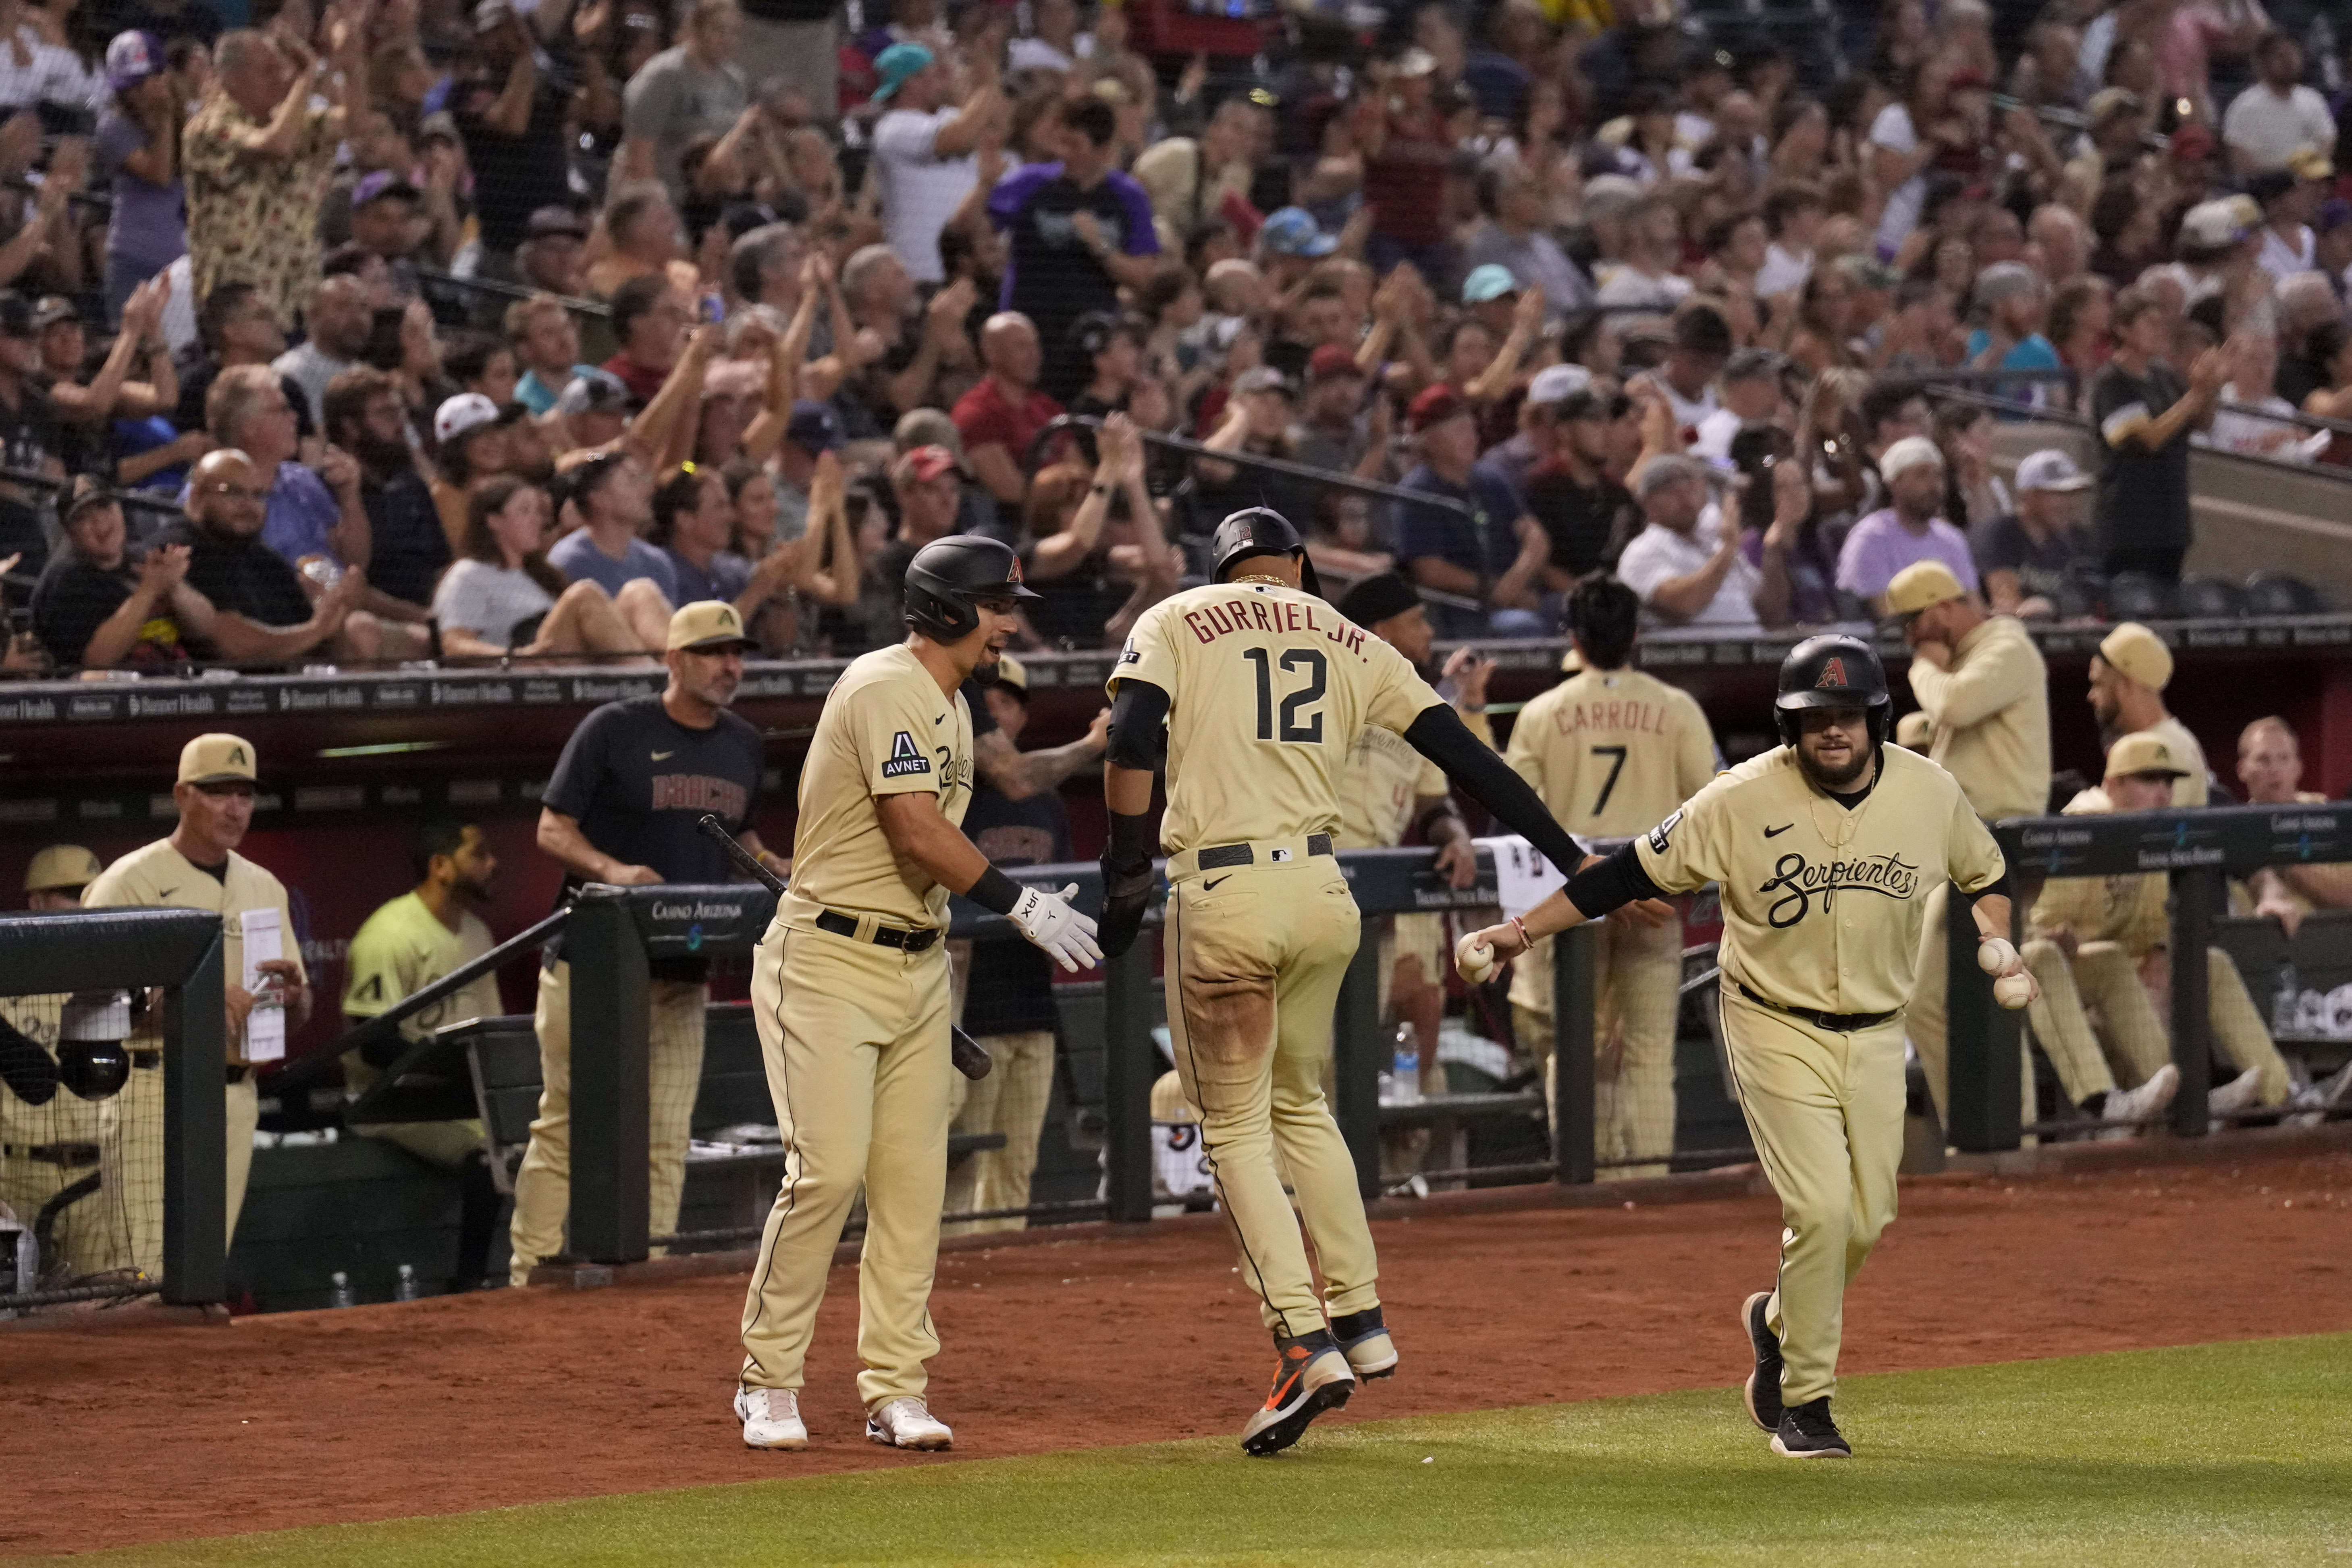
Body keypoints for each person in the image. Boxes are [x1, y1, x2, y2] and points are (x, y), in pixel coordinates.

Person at [1096, 508, 1602, 1455]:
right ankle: (1359, 1311)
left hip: (1224, 889)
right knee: (1301, 1102)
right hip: (1325, 893)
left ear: (1222, 566)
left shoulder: (1176, 615)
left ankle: (1299, 1337)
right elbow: (1466, 757)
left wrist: (1126, 865)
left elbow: (1129, 738)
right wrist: (1565, 852)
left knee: (1235, 1121)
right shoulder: (1343, 633)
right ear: (1293, 565)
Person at [1457, 636, 2028, 1460]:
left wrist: (1997, 938)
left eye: (1846, 716)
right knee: (1823, 1210)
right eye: (1813, 718)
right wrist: (1518, 931)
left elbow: (1984, 871)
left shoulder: (1926, 790)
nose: (1831, 732)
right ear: (1788, 726)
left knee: (1868, 1215)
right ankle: (1806, 1401)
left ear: (1875, 719)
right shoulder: (1736, 797)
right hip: (1772, 1022)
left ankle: (1773, 1321)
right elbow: (1623, 874)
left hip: (1874, 1031)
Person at [734, 537, 1101, 1454]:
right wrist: (1017, 900)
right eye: (993, 602)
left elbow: (962, 813)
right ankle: (767, 1379)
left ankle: (894, 1386)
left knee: (910, 1188)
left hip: (916, 967)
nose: (1008, 619)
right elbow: (912, 825)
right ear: (944, 607)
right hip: (826, 961)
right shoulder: (883, 682)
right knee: (825, 1171)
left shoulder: (952, 699)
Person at [507, 600, 781, 1286]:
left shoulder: (743, 742)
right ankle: (528, 1269)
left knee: (665, 1135)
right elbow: (551, 829)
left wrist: (771, 864)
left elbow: (739, 834)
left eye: (737, 653)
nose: (730, 666)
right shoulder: (615, 728)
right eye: (715, 652)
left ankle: (644, 1273)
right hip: (593, 963)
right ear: (674, 661)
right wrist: (614, 871)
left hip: (685, 968)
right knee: (568, 1122)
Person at [1502, 576, 1714, 1173]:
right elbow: (1708, 802)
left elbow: (1514, 809)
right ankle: (1645, 1177)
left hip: (1573, 900)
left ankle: (1585, 1177)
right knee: (1648, 1052)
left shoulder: (1542, 712)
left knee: (1576, 1050)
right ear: (1638, 634)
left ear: (1572, 637)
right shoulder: (1676, 708)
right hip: (1651, 892)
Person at [83, 734, 312, 1277]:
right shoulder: (128, 881)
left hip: (236, 1091)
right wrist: (198, 1002)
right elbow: (92, 1013)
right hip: (152, 1090)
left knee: (203, 1272)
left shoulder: (264, 885)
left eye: (245, 794)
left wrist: (296, 998)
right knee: (141, 1272)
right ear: (182, 794)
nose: (235, 808)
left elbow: (297, 1015)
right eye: (218, 792)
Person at [2022, 732, 2294, 1126]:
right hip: (2046, 989)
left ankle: (2282, 1097)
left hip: (2113, 985)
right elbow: (2040, 935)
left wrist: (2160, 952)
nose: (2163, 792)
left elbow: (2151, 929)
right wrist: (2064, 941)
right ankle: (2144, 1101)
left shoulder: (2150, 834)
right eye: (2148, 780)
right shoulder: (2080, 831)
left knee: (2207, 963)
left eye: (2167, 782)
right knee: (2094, 959)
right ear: (2113, 786)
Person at [1878, 560, 2051, 1131]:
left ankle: (2014, 1131)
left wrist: (1924, 667)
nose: (1910, 638)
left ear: (1943, 608)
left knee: (2000, 991)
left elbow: (1952, 704)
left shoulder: (2007, 643)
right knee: (1923, 1000)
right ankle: (1972, 1130)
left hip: (1996, 843)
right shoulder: (1971, 655)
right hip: (1955, 850)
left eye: (1915, 624)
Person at [1327, 573, 1491, 1157]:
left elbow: (1433, 799)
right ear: (1379, 632)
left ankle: (1400, 1176)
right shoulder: (1326, 689)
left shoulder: (1412, 704)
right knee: (1319, 1055)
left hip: (1385, 888)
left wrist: (1455, 834)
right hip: (1319, 881)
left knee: (1417, 1012)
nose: (1428, 632)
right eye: (1417, 621)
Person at [942, 653, 1083, 1235]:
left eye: (1004, 703)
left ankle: (1000, 1274)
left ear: (1020, 718)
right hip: (971, 1005)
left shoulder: (1049, 804)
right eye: (985, 702)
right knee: (958, 1151)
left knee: (1014, 1165)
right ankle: (942, 1266)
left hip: (1034, 1002)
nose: (992, 713)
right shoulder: (958, 793)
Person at [340, 820, 507, 1293]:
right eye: (479, 854)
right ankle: (469, 1285)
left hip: (456, 1096)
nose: (492, 864)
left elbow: (490, 1032)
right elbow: (371, 1043)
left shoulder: (476, 932)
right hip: (388, 1101)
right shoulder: (389, 933)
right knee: (486, 1154)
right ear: (440, 866)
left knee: (537, 1139)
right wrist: (447, 1069)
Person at [183, 22, 368, 320]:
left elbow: (355, 126)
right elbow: (276, 146)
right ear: (232, 78)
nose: (281, 79)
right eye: (268, 70)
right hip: (239, 311)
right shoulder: (209, 127)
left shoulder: (288, 122)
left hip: (297, 298)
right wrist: (306, 75)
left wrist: (352, 65)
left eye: (282, 69)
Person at [988, 95, 1160, 402]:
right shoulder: (1030, 183)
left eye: (1076, 146)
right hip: (1029, 341)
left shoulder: (1128, 197)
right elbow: (972, 230)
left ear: (1104, 149)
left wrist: (1102, 246)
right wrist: (982, 186)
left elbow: (1145, 278)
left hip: (1090, 349)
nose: (1065, 154)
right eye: (1062, 143)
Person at [150, 448, 372, 663]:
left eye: (258, 495)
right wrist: (317, 630)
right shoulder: (176, 551)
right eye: (233, 492)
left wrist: (337, 610)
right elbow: (230, 643)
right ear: (197, 496)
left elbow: (318, 646)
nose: (249, 506)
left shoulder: (264, 559)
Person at [0, 845, 109, 1278]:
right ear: (36, 903)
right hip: (19, 1174)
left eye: (91, 893)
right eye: (69, 893)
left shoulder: (114, 983)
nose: (83, 905)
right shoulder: (5, 980)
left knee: (104, 1309)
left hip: (98, 1179)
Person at [2086, 286, 2225, 583]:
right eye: (2149, 323)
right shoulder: (2111, 383)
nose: (2160, 331)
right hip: (2129, 525)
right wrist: (2196, 394)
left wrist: (2210, 387)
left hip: (2171, 521)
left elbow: (2201, 422)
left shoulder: (2164, 375)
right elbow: (2148, 439)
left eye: (2162, 324)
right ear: (2123, 330)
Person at [1395, 383, 1552, 638]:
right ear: (1429, 440)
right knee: (1524, 627)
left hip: (1512, 593)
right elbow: (1430, 571)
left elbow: (1536, 538)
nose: (1472, 437)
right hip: (1459, 609)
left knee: (1571, 612)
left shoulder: (1491, 478)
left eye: (1471, 427)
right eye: (1459, 430)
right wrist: (1495, 589)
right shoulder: (1418, 491)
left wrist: (1514, 582)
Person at [435, 476, 650, 659]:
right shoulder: (469, 574)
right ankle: (648, 677)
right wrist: (516, 657)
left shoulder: (541, 575)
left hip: (571, 660)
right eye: (525, 511)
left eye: (537, 512)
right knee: (584, 595)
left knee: (640, 593)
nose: (536, 520)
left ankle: (670, 672)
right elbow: (455, 645)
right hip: (527, 672)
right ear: (494, 521)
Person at [869, 41, 1004, 286]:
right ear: (912, 82)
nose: (944, 83)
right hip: (921, 273)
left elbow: (996, 128)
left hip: (968, 269)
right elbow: (959, 138)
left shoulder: (949, 117)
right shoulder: (893, 128)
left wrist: (977, 83)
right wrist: (987, 86)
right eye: (936, 75)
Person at [29, 480, 198, 668]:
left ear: (120, 509)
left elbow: (207, 631)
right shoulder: (65, 581)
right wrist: (149, 590)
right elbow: (96, 661)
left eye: (105, 507)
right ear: (70, 533)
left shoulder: (142, 558)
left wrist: (175, 585)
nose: (100, 522)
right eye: (83, 518)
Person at [1615, 455, 1781, 632]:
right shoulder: (1643, 550)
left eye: (1691, 487)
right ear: (1648, 502)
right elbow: (1683, 606)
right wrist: (1728, 551)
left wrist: (1775, 546)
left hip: (1755, 651)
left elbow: (1769, 612)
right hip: (1689, 657)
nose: (1686, 498)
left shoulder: (1714, 544)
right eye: (1673, 490)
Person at [95, 29, 186, 324]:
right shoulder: (113, 125)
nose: (135, 93)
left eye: (142, 82)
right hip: (133, 261)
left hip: (181, 265)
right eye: (130, 86)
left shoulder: (186, 117)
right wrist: (165, 117)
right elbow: (159, 174)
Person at [1833, 436, 1978, 617]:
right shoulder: (1871, 537)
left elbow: (1973, 608)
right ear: (1894, 483)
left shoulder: (1951, 538)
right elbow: (1887, 614)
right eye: (1922, 475)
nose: (1935, 485)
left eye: (1938, 476)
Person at [546, 451, 680, 645]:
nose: (648, 490)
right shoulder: (569, 561)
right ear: (599, 499)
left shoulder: (657, 562)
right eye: (632, 481)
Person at [619, 0, 748, 201]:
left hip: (710, 199)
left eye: (735, 33)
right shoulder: (664, 76)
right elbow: (639, 155)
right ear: (696, 29)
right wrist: (659, 207)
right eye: (719, 30)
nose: (728, 40)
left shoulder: (736, 81)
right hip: (663, 193)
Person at [2238, 718, 2352, 933]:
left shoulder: (2327, 817)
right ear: (2242, 770)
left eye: (2283, 759)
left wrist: (2286, 860)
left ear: (2298, 768)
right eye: (2263, 760)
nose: (2274, 769)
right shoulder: (2236, 830)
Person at [2086, 622, 2207, 807]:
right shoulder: (2145, 741)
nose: (2091, 696)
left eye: (2099, 684)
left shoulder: (2172, 749)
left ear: (2125, 685)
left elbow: (2153, 830)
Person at [950, 312, 1061, 509]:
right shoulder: (975, 412)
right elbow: (1012, 493)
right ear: (991, 353)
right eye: (1021, 346)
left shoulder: (1046, 406)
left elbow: (1080, 472)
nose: (1034, 355)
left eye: (1035, 345)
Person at [1976, 449, 2090, 619]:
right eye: (2058, 494)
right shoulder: (1999, 533)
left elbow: (2087, 600)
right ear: (2027, 496)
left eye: (2073, 494)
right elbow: (2007, 604)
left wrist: (2055, 607)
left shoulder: (2075, 540)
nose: (2069, 504)